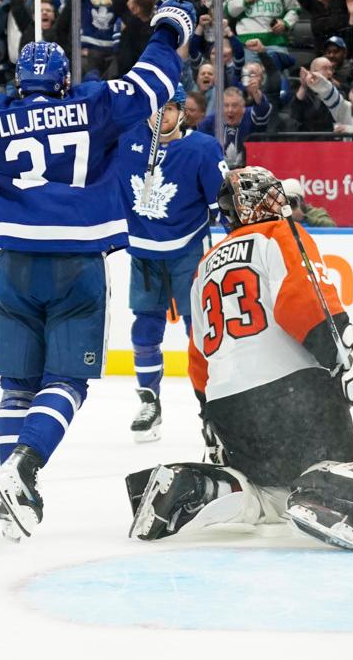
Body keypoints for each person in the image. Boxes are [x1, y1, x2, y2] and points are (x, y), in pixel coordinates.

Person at [0, 0, 192, 541]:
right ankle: (26, 466)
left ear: (20, 81)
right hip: (78, 264)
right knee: (66, 381)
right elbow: (154, 82)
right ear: (65, 79)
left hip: (16, 268)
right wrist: (169, 27)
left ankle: (10, 500)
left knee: (16, 385)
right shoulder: (95, 102)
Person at [126, 167, 353, 552]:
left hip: (228, 407)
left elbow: (199, 356)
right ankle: (321, 492)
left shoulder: (205, 266)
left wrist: (209, 417)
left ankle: (210, 490)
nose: (275, 203)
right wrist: (344, 359)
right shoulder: (283, 234)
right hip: (291, 393)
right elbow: (302, 302)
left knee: (270, 494)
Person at [116, 86, 227, 441]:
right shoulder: (127, 141)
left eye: (166, 109)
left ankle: (211, 405)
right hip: (143, 255)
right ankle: (150, 402)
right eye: (153, 109)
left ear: (183, 112)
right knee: (144, 331)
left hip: (187, 252)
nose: (158, 116)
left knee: (199, 333)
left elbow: (220, 204)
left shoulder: (203, 149)